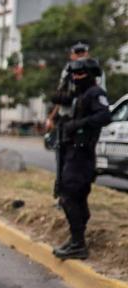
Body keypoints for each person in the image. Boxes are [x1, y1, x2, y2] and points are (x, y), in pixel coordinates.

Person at [52, 58, 112, 259]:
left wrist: (79, 125)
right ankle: (75, 239)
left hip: (82, 155)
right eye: (74, 75)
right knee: (73, 196)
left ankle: (78, 244)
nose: (76, 78)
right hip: (73, 153)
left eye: (80, 74)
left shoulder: (95, 93)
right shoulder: (80, 94)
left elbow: (105, 116)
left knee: (68, 195)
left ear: (91, 75)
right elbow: (57, 98)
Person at [47, 42, 105, 197]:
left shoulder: (94, 70)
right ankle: (62, 190)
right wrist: (52, 117)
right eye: (77, 53)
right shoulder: (68, 70)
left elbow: (100, 98)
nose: (80, 55)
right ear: (71, 54)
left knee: (83, 156)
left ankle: (79, 191)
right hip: (67, 119)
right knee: (63, 155)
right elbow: (59, 96)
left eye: (83, 52)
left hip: (85, 119)